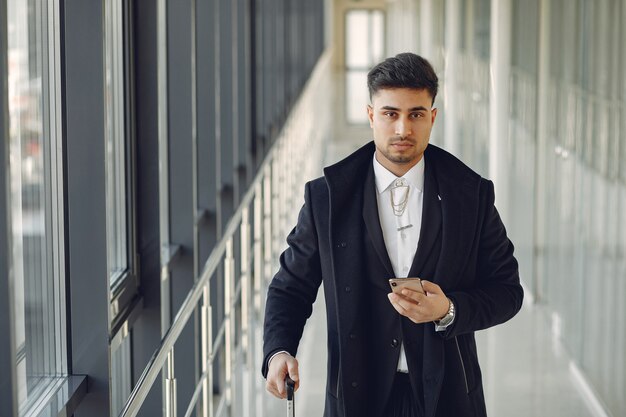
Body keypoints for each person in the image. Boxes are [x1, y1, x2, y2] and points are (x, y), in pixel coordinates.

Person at [262, 52, 523, 417]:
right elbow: (291, 286)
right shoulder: (327, 198)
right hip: (357, 395)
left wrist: (448, 310)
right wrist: (279, 351)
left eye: (416, 114)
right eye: (390, 113)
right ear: (371, 115)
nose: (403, 129)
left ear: (433, 117)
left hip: (447, 397)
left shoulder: (471, 195)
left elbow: (507, 291)